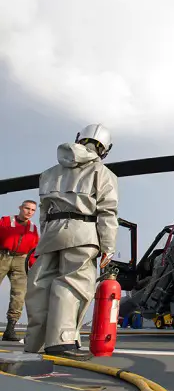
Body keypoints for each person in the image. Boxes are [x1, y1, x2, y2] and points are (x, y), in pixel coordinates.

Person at [23, 123, 119, 361]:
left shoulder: (49, 173)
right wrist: (108, 247)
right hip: (82, 233)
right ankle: (62, 341)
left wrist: (45, 236)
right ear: (105, 149)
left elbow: (43, 214)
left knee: (41, 286)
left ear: (79, 138)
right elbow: (107, 212)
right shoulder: (103, 174)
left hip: (51, 234)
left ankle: (34, 341)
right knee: (72, 283)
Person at [0, 201, 39, 341]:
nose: (29, 212)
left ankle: (10, 329)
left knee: (19, 295)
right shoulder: (5, 221)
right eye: (27, 208)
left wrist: (33, 266)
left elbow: (34, 250)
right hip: (3, 256)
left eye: (32, 210)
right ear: (20, 208)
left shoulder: (33, 229)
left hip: (21, 260)